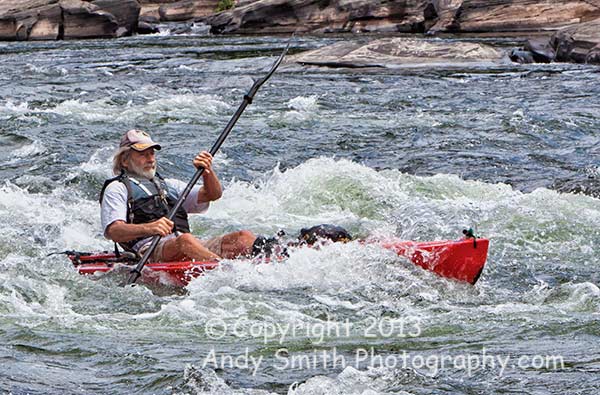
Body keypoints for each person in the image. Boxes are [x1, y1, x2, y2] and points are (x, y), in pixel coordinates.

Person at [100, 129, 257, 262]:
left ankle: (268, 258)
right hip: (149, 251)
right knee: (185, 240)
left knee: (243, 237)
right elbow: (114, 231)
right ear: (125, 161)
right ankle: (224, 270)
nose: (151, 159)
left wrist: (207, 172)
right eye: (143, 154)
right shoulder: (117, 188)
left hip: (185, 245)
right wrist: (150, 228)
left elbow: (212, 194)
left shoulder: (168, 185)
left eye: (152, 153)